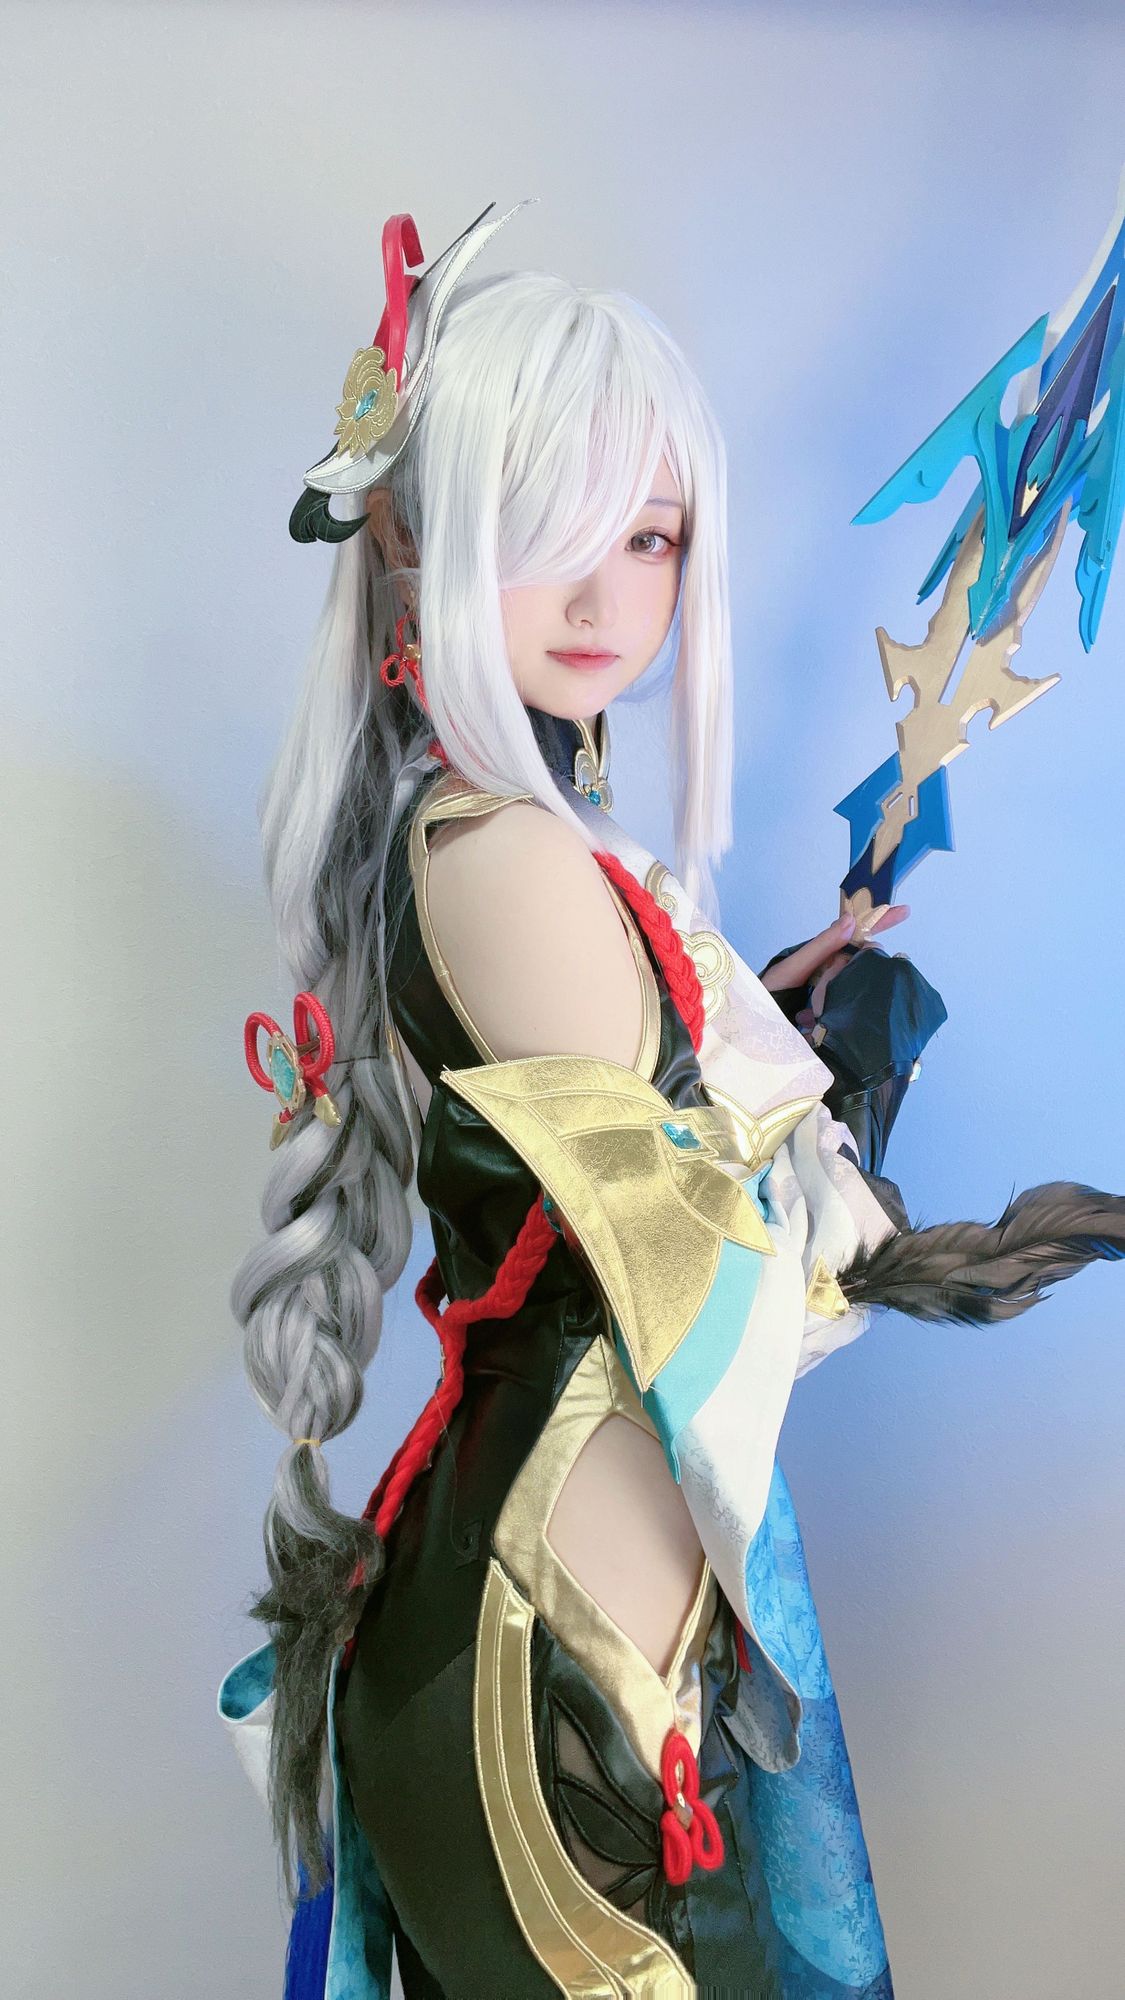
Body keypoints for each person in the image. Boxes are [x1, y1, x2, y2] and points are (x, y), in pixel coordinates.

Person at [218, 201, 1124, 2000]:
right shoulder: (503, 851)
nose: (601, 599)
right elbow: (713, 1285)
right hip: (559, 1642)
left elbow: (635, 1143)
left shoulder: (511, 836)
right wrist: (829, 1140)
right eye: (541, 532)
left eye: (645, 537)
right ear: (412, 538)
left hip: (571, 1598)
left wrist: (771, 1024)